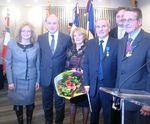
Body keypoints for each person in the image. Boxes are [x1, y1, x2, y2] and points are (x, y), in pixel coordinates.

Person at [115, 7, 150, 124]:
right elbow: (120, 71)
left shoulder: (148, 40)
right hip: (123, 100)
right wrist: (116, 94)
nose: (126, 23)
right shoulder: (122, 41)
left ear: (139, 22)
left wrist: (148, 102)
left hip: (140, 103)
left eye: (130, 20)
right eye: (124, 20)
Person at [38, 14, 72, 124]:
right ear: (46, 24)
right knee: (46, 102)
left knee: (60, 103)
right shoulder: (40, 38)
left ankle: (59, 121)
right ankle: (48, 121)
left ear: (58, 24)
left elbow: (70, 57)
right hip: (45, 76)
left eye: (54, 23)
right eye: (49, 23)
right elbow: (39, 58)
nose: (52, 25)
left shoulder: (67, 38)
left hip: (60, 77)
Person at [83, 19, 118, 124]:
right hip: (93, 86)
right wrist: (86, 83)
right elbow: (86, 64)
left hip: (109, 86)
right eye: (98, 27)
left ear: (109, 28)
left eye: (103, 26)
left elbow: (120, 67)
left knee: (109, 115)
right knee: (93, 114)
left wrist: (117, 88)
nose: (100, 29)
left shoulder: (117, 43)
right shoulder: (90, 43)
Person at [5, 22, 40, 124]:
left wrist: (38, 80)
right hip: (15, 80)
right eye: (23, 30)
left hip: (31, 80)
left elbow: (38, 64)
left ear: (32, 33)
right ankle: (20, 122)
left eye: (28, 31)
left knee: (30, 103)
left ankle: (29, 121)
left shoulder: (36, 45)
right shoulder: (11, 44)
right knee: (17, 104)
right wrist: (10, 81)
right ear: (19, 32)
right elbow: (8, 63)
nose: (26, 33)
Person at [65, 27, 89, 124]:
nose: (77, 37)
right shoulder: (70, 49)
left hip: (85, 80)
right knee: (73, 104)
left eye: (80, 35)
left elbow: (91, 64)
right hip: (73, 80)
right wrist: (70, 72)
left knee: (85, 105)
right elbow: (67, 64)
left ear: (84, 36)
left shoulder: (89, 48)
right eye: (75, 35)